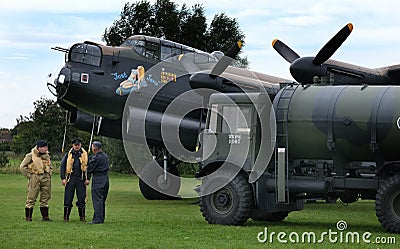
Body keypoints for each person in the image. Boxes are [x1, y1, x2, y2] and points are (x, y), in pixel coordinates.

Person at [20, 140, 52, 222]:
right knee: (31, 197)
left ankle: (45, 217)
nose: (45, 149)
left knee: (45, 197)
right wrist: (29, 176)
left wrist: (49, 174)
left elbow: (50, 165)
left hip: (45, 177)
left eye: (46, 147)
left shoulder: (47, 155)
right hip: (35, 177)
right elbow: (22, 167)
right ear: (38, 148)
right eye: (43, 147)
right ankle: (28, 217)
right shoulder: (30, 156)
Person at [60, 138, 89, 222]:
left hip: (81, 179)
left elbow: (88, 167)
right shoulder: (68, 154)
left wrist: (88, 179)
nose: (77, 146)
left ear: (80, 145)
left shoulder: (85, 154)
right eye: (75, 145)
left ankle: (82, 217)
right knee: (68, 198)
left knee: (81, 198)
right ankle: (66, 217)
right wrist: (63, 178)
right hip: (70, 178)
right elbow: (62, 166)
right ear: (73, 145)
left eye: (78, 145)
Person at [87, 141, 109, 224]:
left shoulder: (96, 158)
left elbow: (90, 168)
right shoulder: (105, 156)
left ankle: (97, 219)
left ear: (95, 148)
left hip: (98, 179)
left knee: (97, 199)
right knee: (102, 200)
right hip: (106, 179)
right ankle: (101, 218)